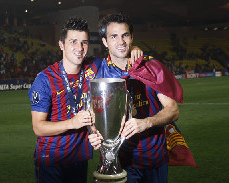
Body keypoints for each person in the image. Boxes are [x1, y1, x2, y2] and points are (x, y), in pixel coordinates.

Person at [28, 17, 143, 183]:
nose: (79, 48)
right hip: (51, 160)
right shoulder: (45, 79)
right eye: (73, 42)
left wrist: (133, 49)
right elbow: (38, 127)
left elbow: (119, 58)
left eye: (84, 42)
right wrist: (73, 123)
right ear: (61, 44)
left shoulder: (94, 67)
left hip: (80, 158)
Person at [89, 12, 183, 183]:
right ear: (105, 41)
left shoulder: (151, 66)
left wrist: (146, 122)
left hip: (154, 159)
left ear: (132, 37)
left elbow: (173, 110)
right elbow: (93, 116)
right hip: (122, 161)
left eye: (125, 35)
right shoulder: (99, 73)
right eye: (114, 36)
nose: (121, 41)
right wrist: (94, 135)